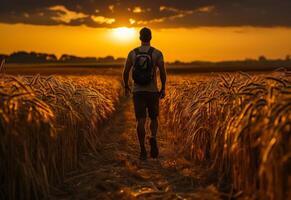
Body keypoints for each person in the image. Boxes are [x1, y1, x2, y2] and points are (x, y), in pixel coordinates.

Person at [123, 27, 167, 160]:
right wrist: (163, 87)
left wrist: (126, 86)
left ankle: (142, 150)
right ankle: (153, 137)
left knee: (140, 120)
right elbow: (163, 72)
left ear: (140, 38)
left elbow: (125, 72)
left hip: (138, 92)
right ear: (151, 37)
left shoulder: (132, 53)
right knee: (154, 118)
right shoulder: (157, 53)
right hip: (152, 91)